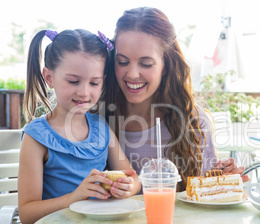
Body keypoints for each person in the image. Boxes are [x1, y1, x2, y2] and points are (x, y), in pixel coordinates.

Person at [100, 7, 249, 192]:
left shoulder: (193, 122)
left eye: (146, 64)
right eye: (122, 62)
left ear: (166, 65)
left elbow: (201, 196)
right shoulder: (94, 119)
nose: (132, 73)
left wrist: (219, 182)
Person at [18, 29, 141, 224]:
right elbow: (27, 213)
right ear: (49, 77)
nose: (84, 92)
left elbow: (133, 178)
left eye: (94, 83)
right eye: (73, 81)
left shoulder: (102, 129)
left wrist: (128, 188)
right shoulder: (36, 138)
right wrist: (75, 198)